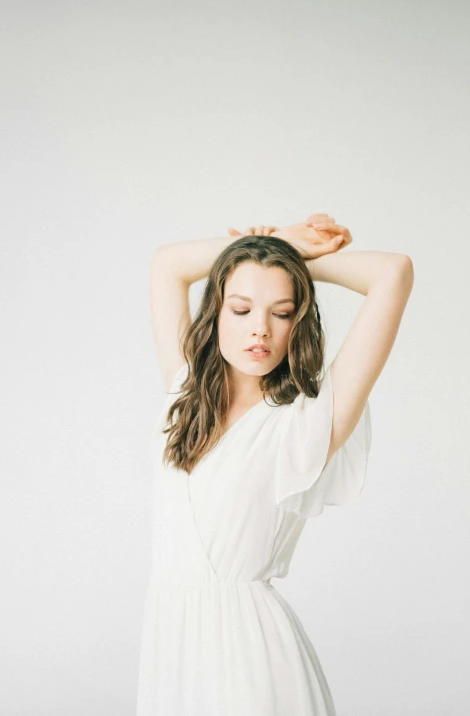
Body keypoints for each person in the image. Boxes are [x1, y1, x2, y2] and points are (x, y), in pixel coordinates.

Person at [136, 213, 414, 715]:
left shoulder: (305, 424)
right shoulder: (184, 394)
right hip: (173, 653)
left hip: (253, 665)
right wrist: (271, 245)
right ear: (215, 312)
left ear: (298, 321)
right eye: (241, 309)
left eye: (282, 312)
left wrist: (293, 262)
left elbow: (393, 272)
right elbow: (167, 264)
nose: (260, 328)